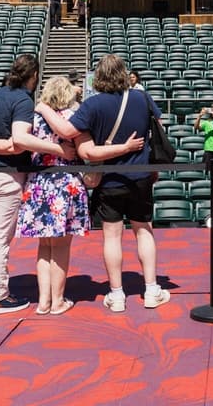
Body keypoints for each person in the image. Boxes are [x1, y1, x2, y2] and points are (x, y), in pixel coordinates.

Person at [36, 53, 165, 313]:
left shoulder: (92, 105)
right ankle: (151, 289)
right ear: (123, 73)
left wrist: (43, 108)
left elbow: (73, 139)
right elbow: (159, 125)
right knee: (144, 231)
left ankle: (117, 295)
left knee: (111, 236)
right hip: (141, 175)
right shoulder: (141, 96)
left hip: (109, 178)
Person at [0, 53, 74, 316]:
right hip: (6, 176)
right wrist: (58, 150)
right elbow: (20, 138)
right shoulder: (23, 100)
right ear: (34, 76)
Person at [18, 76, 89, 316]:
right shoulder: (71, 118)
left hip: (38, 183)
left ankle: (43, 301)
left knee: (44, 245)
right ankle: (57, 301)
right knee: (60, 245)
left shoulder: (34, 118)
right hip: (63, 183)